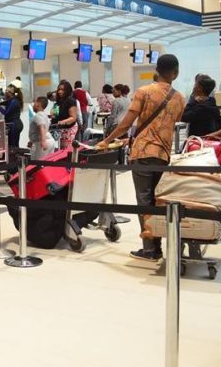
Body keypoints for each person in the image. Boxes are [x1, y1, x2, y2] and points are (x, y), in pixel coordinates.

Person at [97, 54, 186, 262]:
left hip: (143, 152)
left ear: (156, 70)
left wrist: (107, 140)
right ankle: (158, 246)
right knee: (158, 200)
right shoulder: (180, 98)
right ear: (176, 72)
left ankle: (150, 249)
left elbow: (126, 124)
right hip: (163, 154)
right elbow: (176, 122)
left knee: (144, 200)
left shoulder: (144, 92)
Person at [53, 81, 79, 149]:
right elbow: (55, 115)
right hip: (60, 129)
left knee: (66, 150)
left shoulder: (71, 101)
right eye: (59, 89)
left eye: (62, 90)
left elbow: (73, 117)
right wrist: (52, 115)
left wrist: (63, 121)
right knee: (61, 149)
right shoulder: (57, 103)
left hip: (69, 128)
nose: (59, 91)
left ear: (67, 91)